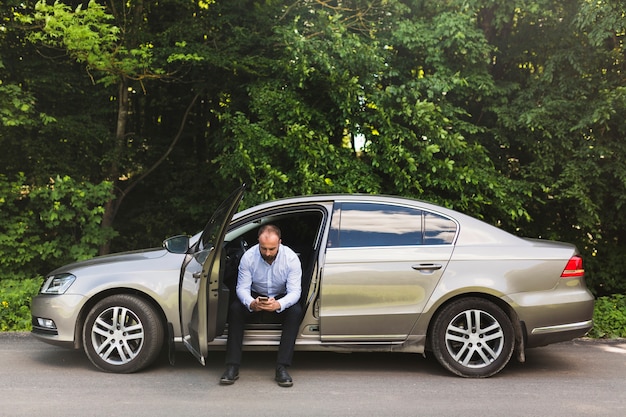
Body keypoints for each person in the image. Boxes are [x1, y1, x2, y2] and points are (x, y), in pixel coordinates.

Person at [220, 224, 302, 387]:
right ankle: (232, 366)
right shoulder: (249, 257)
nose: (267, 253)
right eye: (263, 248)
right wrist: (251, 303)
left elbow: (295, 292)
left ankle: (282, 367)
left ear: (280, 242)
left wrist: (279, 304)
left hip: (279, 296)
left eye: (272, 249)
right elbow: (242, 288)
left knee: (295, 311)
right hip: (255, 295)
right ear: (258, 242)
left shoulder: (291, 258)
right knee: (236, 309)